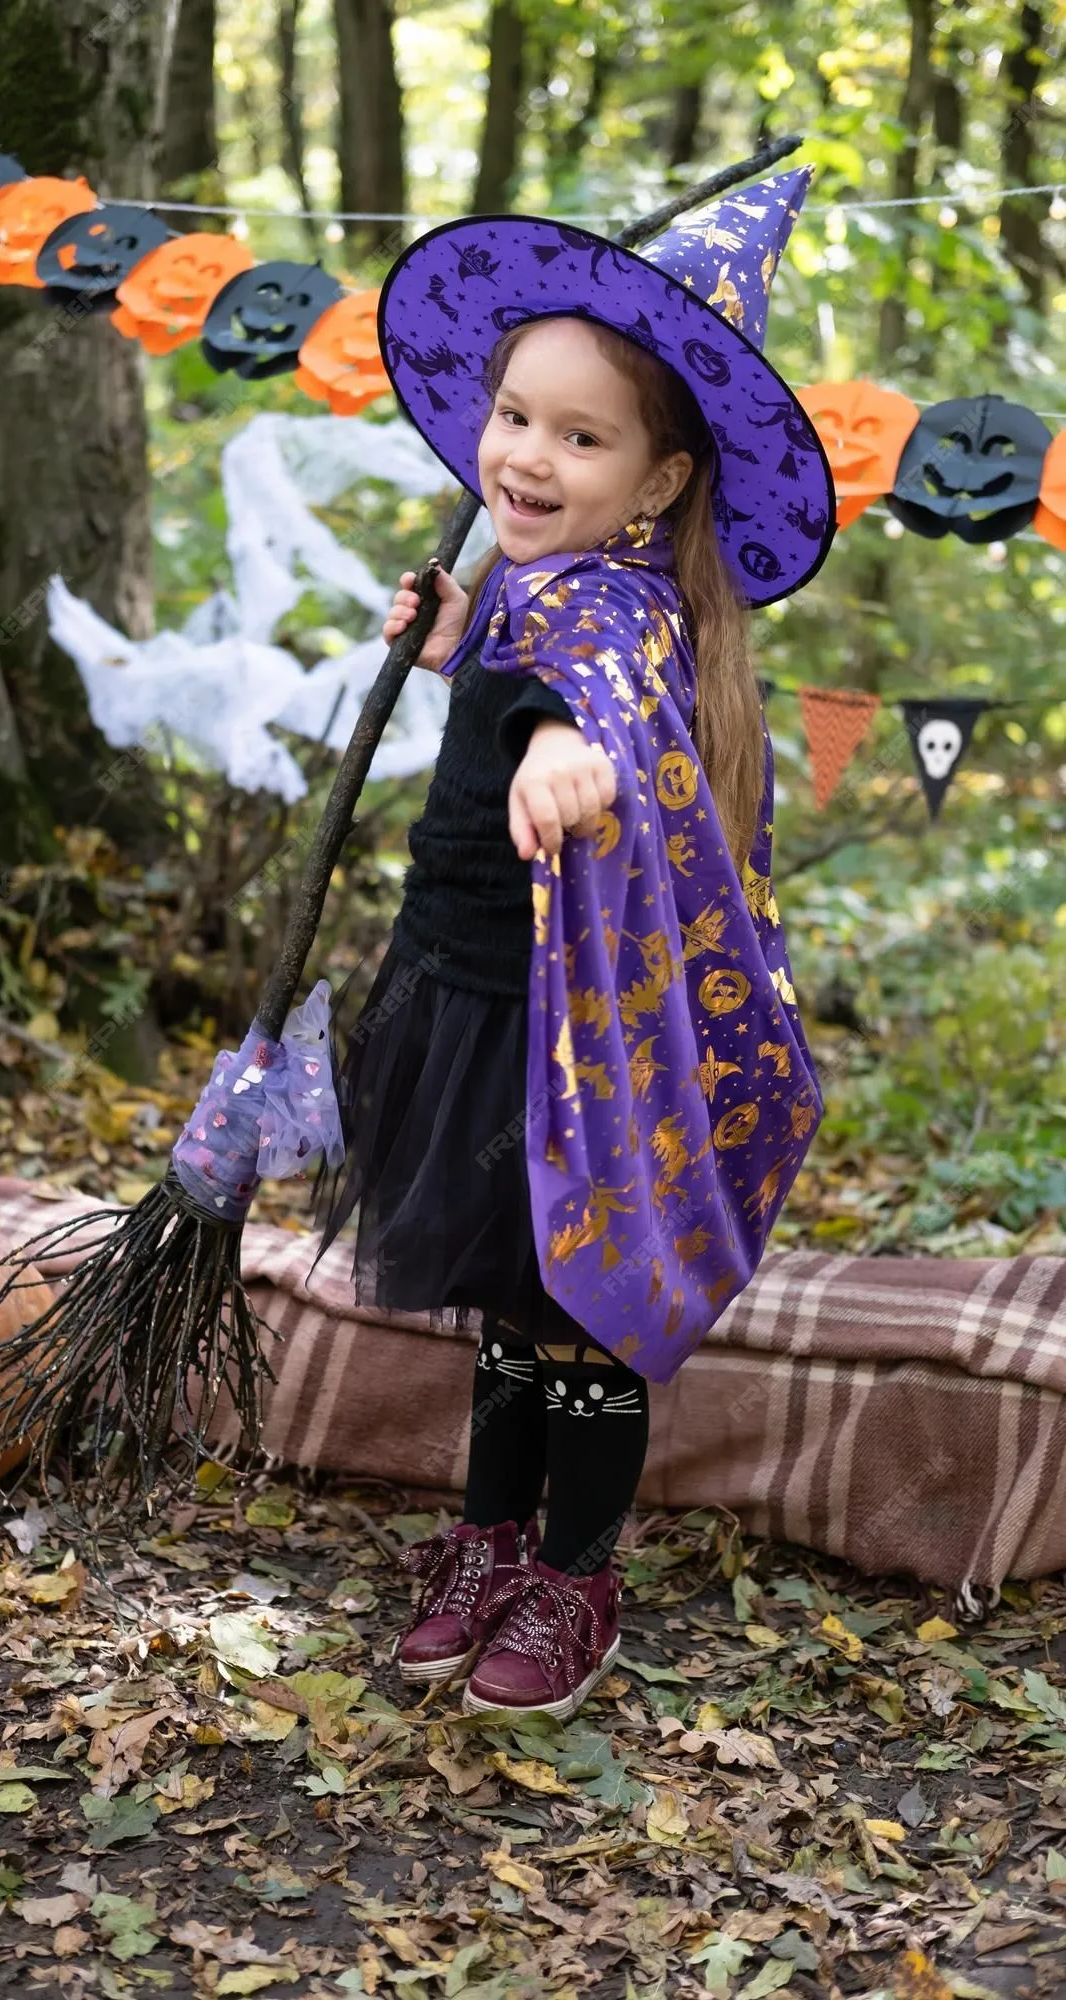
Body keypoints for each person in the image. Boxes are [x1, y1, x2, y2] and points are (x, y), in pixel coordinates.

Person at [311, 170, 834, 1721]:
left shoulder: (612, 616)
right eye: (516, 417)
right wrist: (469, 632)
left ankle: (576, 1573)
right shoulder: (549, 585)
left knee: (579, 1307)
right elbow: (529, 648)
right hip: (473, 997)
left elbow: (586, 697)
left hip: (547, 1022)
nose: (528, 455)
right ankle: (487, 1538)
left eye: (581, 437)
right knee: (510, 1300)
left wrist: (552, 745)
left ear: (660, 480)